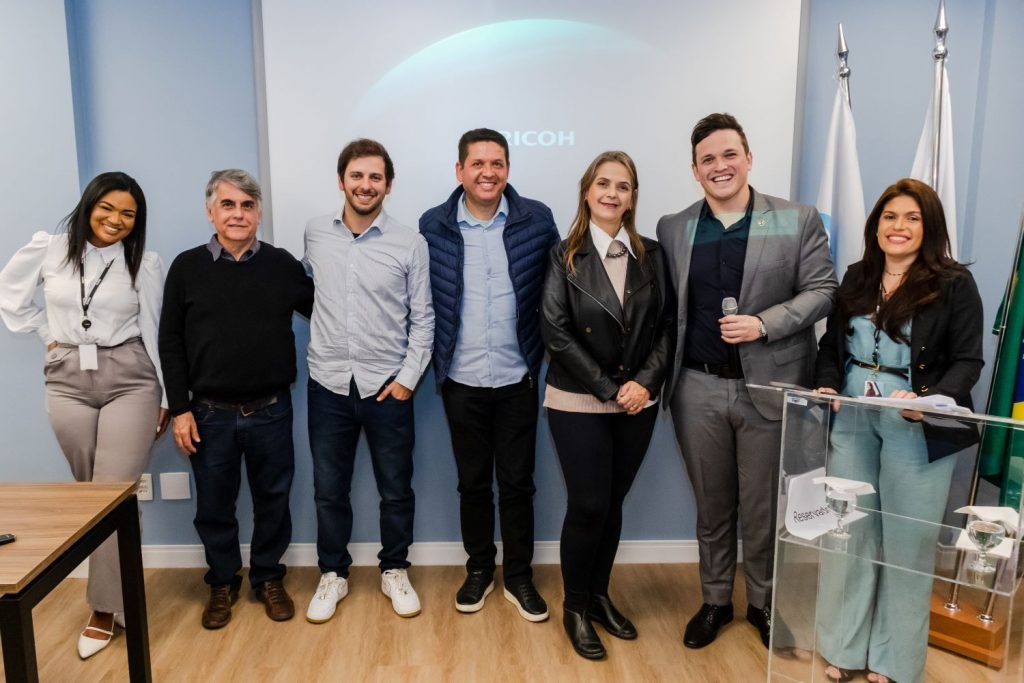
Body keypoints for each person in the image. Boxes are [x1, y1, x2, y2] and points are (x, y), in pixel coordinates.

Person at [656, 112, 837, 649]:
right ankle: (715, 601)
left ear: (749, 158)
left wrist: (764, 324)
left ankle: (762, 603)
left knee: (761, 508)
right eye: (707, 159)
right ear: (695, 170)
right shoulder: (674, 227)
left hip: (771, 389)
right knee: (712, 507)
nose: (720, 166)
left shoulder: (796, 219)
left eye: (729, 154)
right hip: (696, 389)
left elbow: (824, 290)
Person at [814, 178, 984, 683]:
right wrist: (827, 385)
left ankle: (894, 662)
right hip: (853, 418)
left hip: (916, 425)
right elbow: (830, 346)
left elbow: (968, 361)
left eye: (912, 217)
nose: (899, 226)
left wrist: (931, 402)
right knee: (851, 533)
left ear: (929, 226)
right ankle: (843, 650)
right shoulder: (857, 275)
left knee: (907, 543)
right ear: (876, 225)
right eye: (890, 216)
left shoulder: (954, 283)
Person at [0, 171, 169, 659]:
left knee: (111, 494)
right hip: (67, 378)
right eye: (107, 208)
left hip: (131, 377)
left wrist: (166, 398)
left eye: (128, 214)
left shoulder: (144, 262)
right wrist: (48, 336)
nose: (116, 220)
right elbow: (10, 295)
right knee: (89, 498)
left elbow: (154, 329)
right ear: (89, 205)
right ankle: (120, 593)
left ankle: (104, 607)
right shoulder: (50, 249)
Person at [159, 169, 313, 630]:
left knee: (273, 500)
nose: (238, 214)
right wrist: (180, 409)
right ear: (211, 212)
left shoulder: (282, 265)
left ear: (259, 213)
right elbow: (170, 342)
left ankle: (268, 577)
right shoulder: (187, 268)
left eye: (247, 205)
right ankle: (222, 582)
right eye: (228, 204)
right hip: (208, 414)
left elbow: (328, 313)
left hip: (271, 410)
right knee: (213, 506)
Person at [419, 128, 558, 621]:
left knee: (518, 484)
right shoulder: (433, 225)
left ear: (507, 169)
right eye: (477, 163)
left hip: (518, 377)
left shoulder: (536, 219)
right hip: (461, 381)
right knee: (473, 484)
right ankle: (479, 569)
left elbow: (557, 292)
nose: (488, 172)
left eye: (497, 163)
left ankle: (519, 576)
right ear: (459, 170)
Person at [540, 151, 674, 659]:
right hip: (578, 398)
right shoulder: (563, 255)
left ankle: (598, 597)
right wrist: (608, 387)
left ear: (633, 197)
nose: (612, 193)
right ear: (587, 191)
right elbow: (555, 331)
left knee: (612, 503)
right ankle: (574, 608)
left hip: (637, 401)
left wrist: (644, 383)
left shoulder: (653, 254)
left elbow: (667, 327)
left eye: (622, 186)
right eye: (603, 183)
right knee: (589, 504)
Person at [304, 139, 433, 623]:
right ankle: (332, 573)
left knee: (396, 490)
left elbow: (424, 320)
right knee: (328, 489)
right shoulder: (315, 233)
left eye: (375, 177)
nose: (365, 185)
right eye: (357, 176)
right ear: (342, 181)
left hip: (388, 388)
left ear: (388, 185)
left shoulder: (410, 242)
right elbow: (311, 295)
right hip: (329, 384)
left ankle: (394, 569)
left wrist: (407, 380)